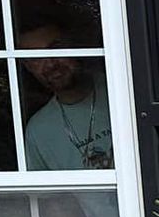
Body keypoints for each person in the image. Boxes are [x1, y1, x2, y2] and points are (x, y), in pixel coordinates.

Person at [17, 22, 113, 172]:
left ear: (72, 45)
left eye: (55, 48)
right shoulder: (38, 130)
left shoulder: (120, 89)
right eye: (36, 57)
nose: (50, 64)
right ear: (29, 67)